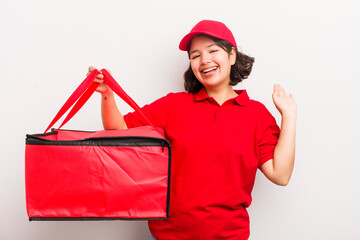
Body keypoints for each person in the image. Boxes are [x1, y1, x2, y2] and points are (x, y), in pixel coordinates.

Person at [87, 20, 297, 240]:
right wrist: (107, 93)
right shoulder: (173, 105)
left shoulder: (256, 114)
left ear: (232, 56)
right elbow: (118, 128)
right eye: (195, 56)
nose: (204, 60)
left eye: (213, 50)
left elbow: (280, 175)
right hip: (166, 236)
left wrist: (289, 117)